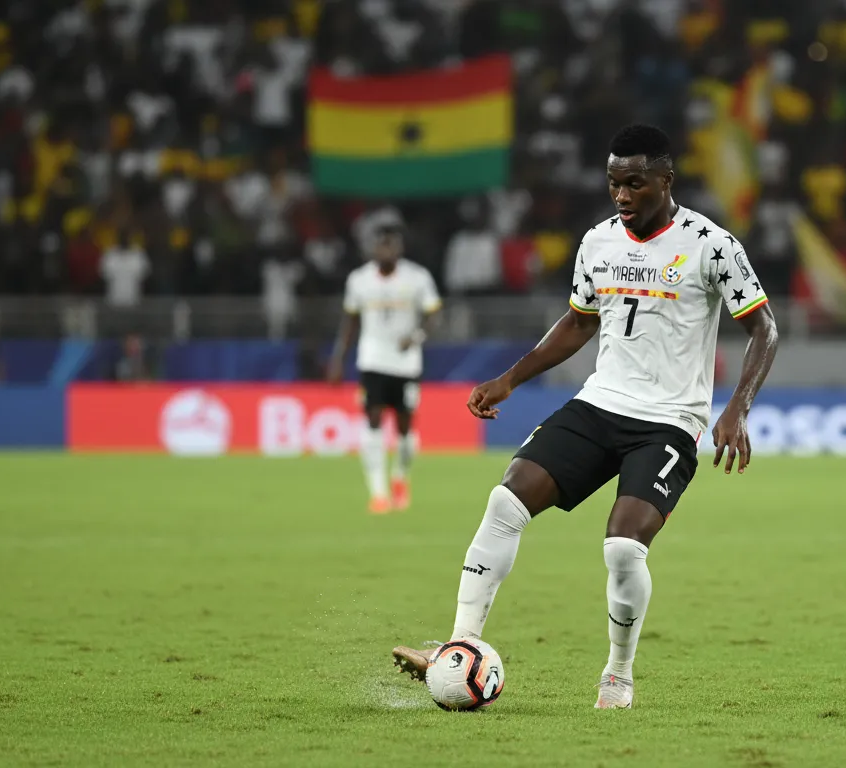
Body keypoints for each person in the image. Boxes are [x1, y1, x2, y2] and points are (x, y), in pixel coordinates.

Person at [391, 125, 780, 709]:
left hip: (670, 420)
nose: (622, 195)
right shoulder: (598, 241)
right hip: (600, 404)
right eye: (613, 183)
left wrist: (737, 409)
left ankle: (618, 675)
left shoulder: (711, 244)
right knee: (506, 501)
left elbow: (765, 328)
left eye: (635, 183)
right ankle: (459, 644)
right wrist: (510, 377)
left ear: (665, 181)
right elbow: (578, 322)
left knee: (623, 549)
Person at [328, 207, 442, 514]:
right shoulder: (359, 280)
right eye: (380, 244)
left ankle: (401, 477)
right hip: (372, 359)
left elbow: (434, 313)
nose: (385, 249)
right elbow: (350, 322)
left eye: (391, 243)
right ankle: (378, 491)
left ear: (399, 247)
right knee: (373, 418)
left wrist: (416, 335)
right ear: (372, 248)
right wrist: (338, 359)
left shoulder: (417, 278)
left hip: (406, 363)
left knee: (405, 428)